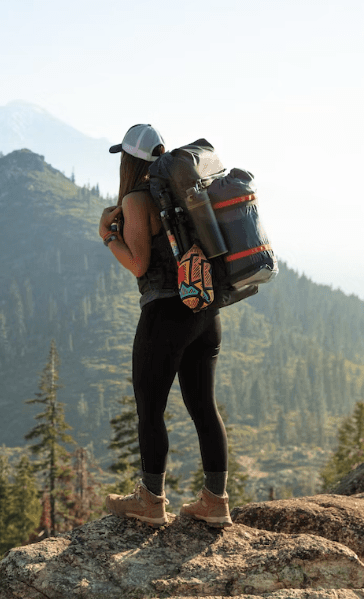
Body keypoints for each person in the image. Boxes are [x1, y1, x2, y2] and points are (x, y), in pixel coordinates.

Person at [100, 124, 232, 528]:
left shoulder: (138, 199)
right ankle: (215, 501)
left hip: (165, 314)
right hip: (204, 308)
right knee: (203, 408)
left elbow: (139, 264)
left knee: (150, 408)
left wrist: (108, 237)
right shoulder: (183, 192)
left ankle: (151, 501)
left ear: (128, 159)